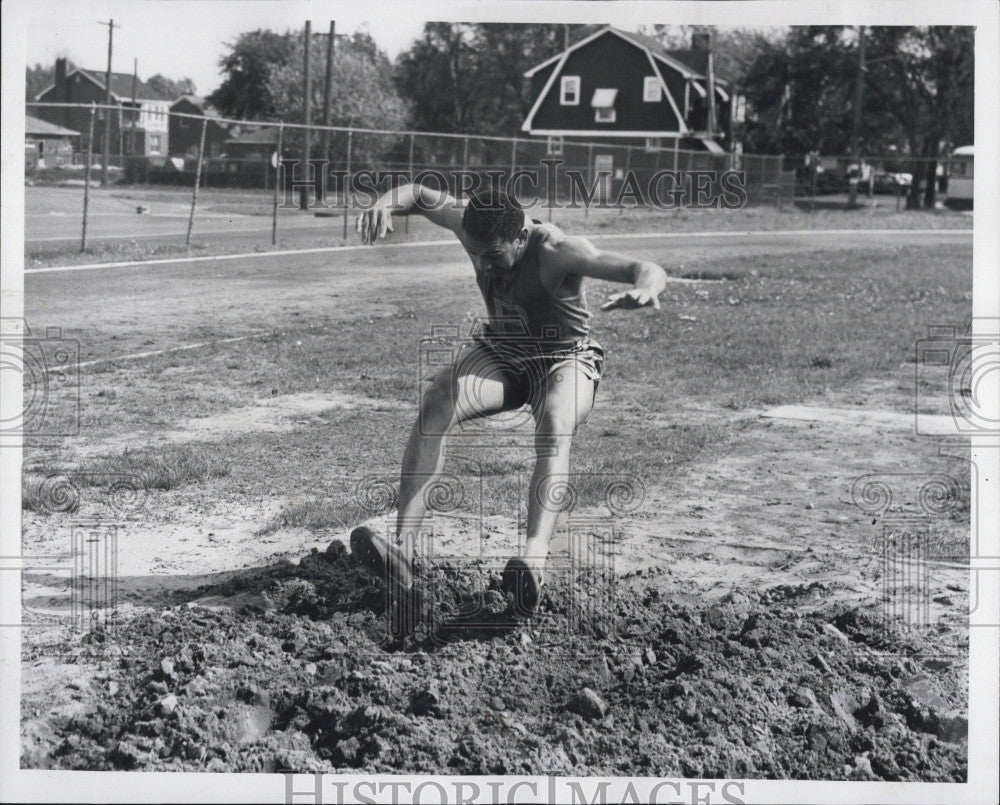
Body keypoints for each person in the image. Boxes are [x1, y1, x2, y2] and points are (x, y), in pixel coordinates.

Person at [351, 183, 667, 622]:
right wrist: (384, 203)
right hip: (502, 352)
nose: (483, 265)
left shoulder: (557, 250)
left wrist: (646, 289)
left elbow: (643, 266)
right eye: (476, 255)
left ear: (521, 238)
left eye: (493, 256)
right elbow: (421, 194)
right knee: (438, 401)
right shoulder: (474, 228)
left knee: (555, 423)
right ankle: (402, 551)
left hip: (564, 358)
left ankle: (533, 562)